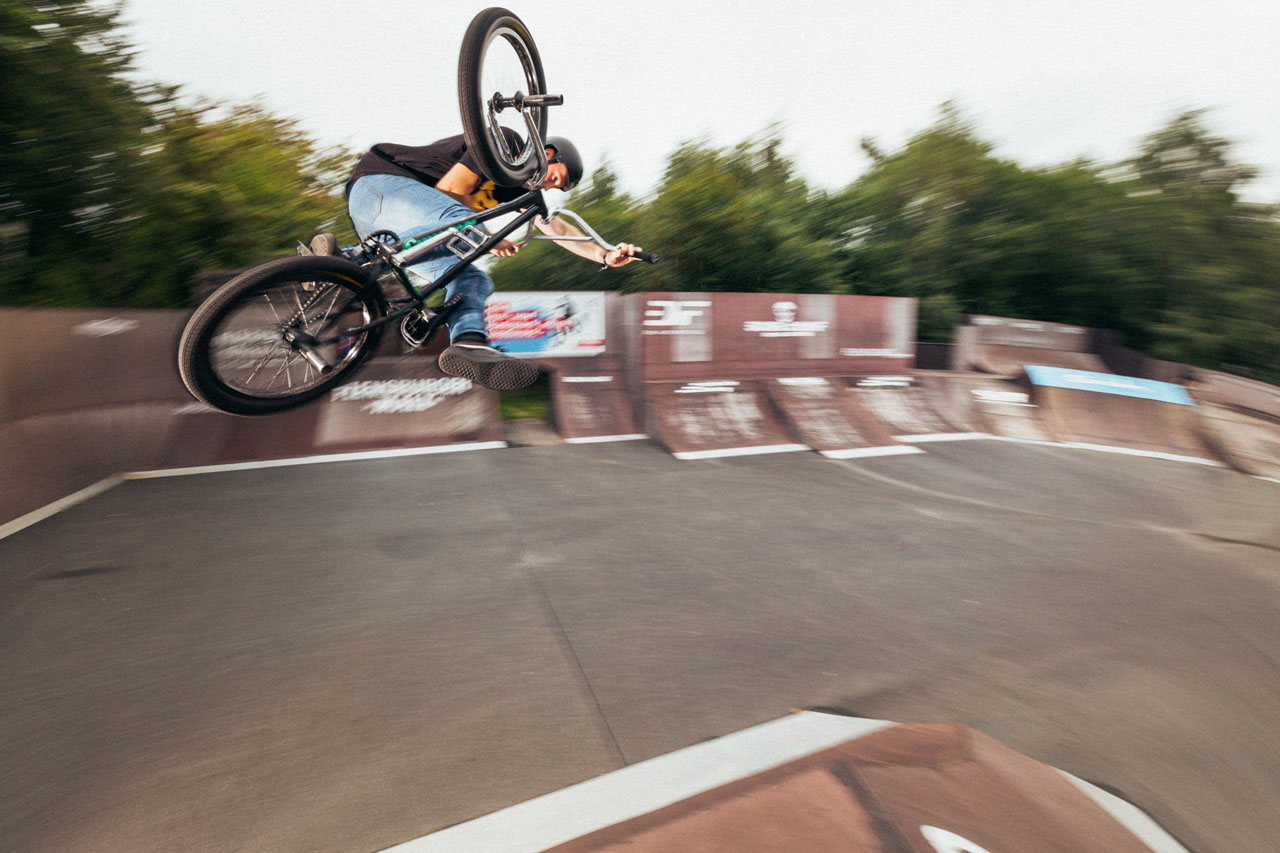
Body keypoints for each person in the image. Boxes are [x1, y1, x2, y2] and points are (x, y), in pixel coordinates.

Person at [344, 132, 643, 390]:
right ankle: (354, 259)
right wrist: (487, 237)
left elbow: (556, 226)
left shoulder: (514, 190)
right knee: (464, 225)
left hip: (392, 226)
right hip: (381, 184)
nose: (548, 187)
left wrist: (604, 254)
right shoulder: (508, 145)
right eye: (554, 178)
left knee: (471, 278)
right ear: (547, 154)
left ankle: (468, 343)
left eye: (553, 187)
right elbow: (452, 189)